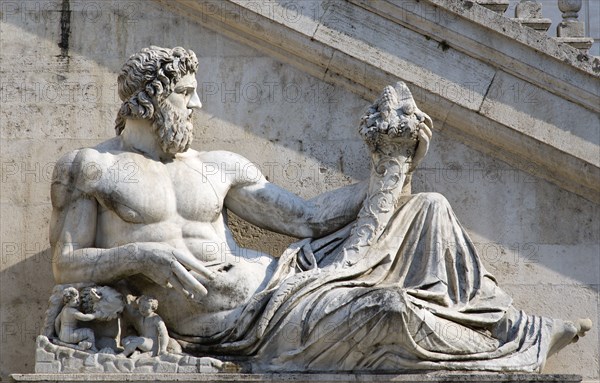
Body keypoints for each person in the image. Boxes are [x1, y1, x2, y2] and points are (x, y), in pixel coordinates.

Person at [49, 46, 590, 372]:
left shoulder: (217, 165)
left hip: (285, 282)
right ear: (151, 98)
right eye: (186, 93)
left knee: (427, 207)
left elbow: (307, 219)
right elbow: (66, 263)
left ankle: (514, 330)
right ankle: (510, 348)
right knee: (388, 311)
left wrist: (389, 168)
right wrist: (139, 256)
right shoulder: (91, 168)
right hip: (234, 324)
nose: (197, 105)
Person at [54, 287, 98, 351]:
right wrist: (96, 315)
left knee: (81, 331)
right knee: (89, 332)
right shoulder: (72, 312)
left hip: (62, 336)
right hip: (70, 336)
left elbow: (56, 322)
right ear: (67, 302)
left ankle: (84, 344)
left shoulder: (64, 309)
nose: (78, 302)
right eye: (75, 300)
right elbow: (84, 318)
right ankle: (93, 348)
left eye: (78, 299)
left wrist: (59, 335)